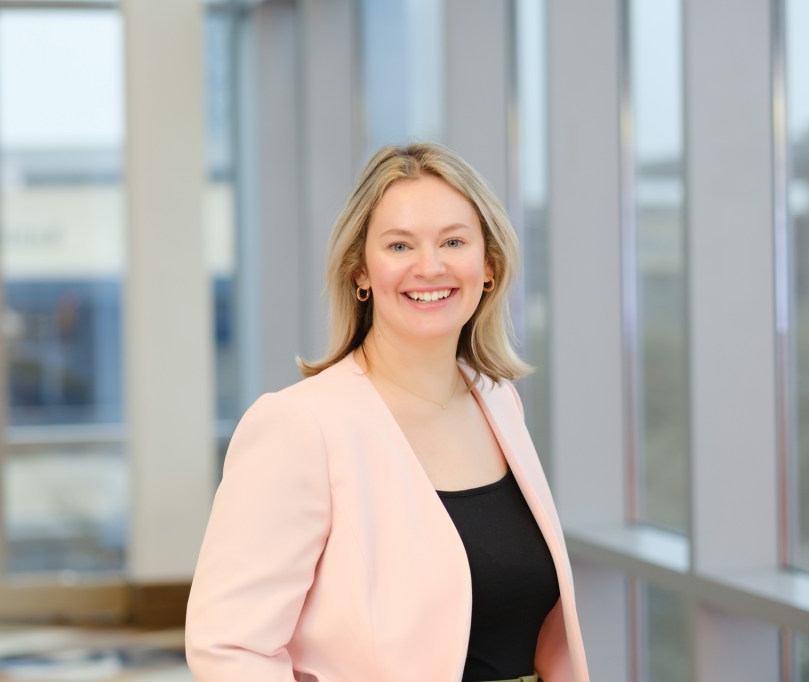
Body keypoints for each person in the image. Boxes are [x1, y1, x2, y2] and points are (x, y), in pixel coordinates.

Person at [185, 142, 590, 682]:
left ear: (488, 265)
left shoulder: (497, 402)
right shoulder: (301, 427)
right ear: (361, 272)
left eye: (453, 241)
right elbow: (229, 647)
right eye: (400, 245)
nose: (430, 266)